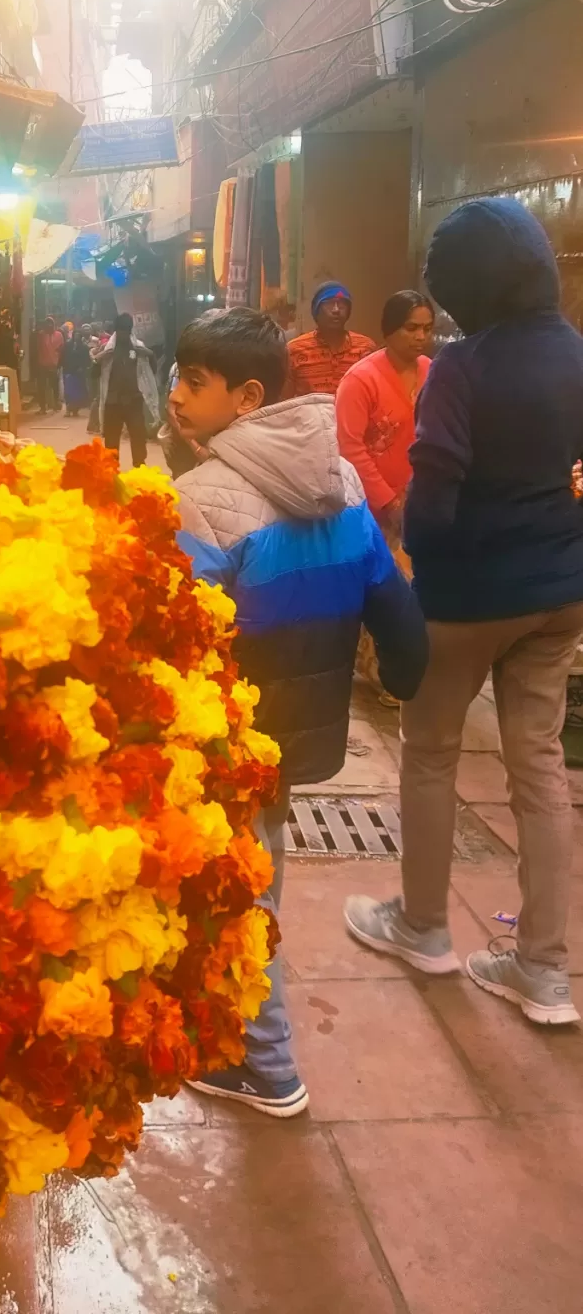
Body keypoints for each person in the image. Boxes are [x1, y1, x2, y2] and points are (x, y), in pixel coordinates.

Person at [171, 307, 427, 1116]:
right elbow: (391, 598)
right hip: (304, 730)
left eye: (193, 383)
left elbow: (179, 644)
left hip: (231, 740)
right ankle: (233, 1028)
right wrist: (407, 669)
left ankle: (269, 1065)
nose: (176, 396)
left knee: (249, 894)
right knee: (253, 881)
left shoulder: (202, 499)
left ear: (248, 398)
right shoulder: (344, 483)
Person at [344, 199, 583, 1026]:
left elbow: (435, 501)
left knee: (431, 750)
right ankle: (545, 972)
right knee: (540, 767)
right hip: (561, 594)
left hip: (472, 596)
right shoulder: (577, 354)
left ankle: (423, 927)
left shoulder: (463, 368)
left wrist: (413, 556)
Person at [336, 290, 435, 701]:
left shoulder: (432, 371)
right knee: (376, 587)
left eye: (428, 328)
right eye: (411, 328)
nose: (420, 337)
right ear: (390, 328)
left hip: (422, 501)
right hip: (372, 505)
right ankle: (369, 670)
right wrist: (388, 501)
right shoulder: (361, 379)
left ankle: (394, 673)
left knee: (410, 591)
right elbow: (350, 446)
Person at [287, 282, 377, 396]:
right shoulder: (294, 350)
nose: (336, 310)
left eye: (342, 305)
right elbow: (285, 403)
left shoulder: (365, 347)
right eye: (329, 304)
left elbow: (374, 396)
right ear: (316, 311)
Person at [93, 313, 152, 468]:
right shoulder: (107, 350)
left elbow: (151, 371)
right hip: (113, 403)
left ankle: (139, 469)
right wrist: (99, 357)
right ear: (116, 330)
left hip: (134, 402)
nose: (124, 334)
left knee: (139, 437)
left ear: (131, 330)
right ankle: (111, 473)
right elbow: (93, 374)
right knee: (111, 442)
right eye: (121, 331)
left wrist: (150, 354)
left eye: (127, 331)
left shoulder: (139, 347)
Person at [35, 317, 64, 414]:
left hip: (54, 365)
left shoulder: (59, 335)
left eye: (51, 323)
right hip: (42, 365)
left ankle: (56, 404)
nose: (49, 325)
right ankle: (42, 408)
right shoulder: (41, 335)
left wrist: (60, 364)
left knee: (54, 386)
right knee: (41, 387)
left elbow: (61, 350)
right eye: (47, 324)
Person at [62, 323, 92, 415]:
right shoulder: (67, 345)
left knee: (78, 393)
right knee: (68, 391)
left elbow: (87, 360)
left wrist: (82, 368)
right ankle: (68, 409)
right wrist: (64, 368)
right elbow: (63, 357)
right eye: (75, 335)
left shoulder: (84, 347)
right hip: (69, 372)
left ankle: (75, 410)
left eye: (79, 336)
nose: (77, 337)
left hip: (79, 373)